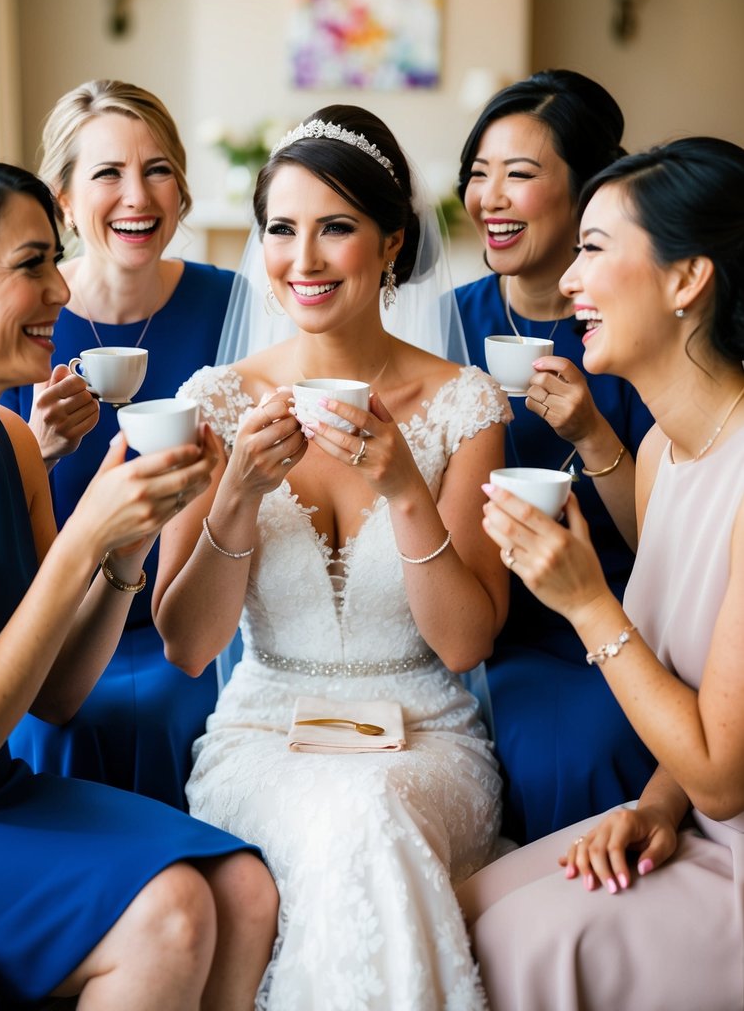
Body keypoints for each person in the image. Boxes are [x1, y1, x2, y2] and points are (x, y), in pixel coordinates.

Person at [151, 105, 511, 1010]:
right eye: (281, 229)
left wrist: (405, 489)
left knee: (369, 810)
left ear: (391, 244)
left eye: (336, 228)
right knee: (347, 817)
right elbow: (188, 647)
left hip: (423, 733)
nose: (302, 260)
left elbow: (467, 645)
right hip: (265, 733)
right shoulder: (215, 401)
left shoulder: (464, 404)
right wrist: (233, 489)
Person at [0, 146, 278, 1010]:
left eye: (53, 259)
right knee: (171, 913)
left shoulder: (11, 446)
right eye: (30, 265)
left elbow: (59, 697)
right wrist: (83, 541)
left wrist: (125, 549)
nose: (62, 292)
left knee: (245, 889)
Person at [459, 136, 744, 1011]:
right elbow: (698, 726)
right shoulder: (658, 452)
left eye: (592, 248)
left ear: (685, 278)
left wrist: (584, 601)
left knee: (510, 944)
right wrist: (654, 810)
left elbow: (722, 774)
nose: (569, 282)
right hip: (689, 818)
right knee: (452, 914)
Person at [2, 79, 234, 810]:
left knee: (194, 718)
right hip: (57, 633)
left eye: (157, 169)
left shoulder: (234, 305)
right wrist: (34, 451)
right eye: (107, 173)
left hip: (197, 629)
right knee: (54, 733)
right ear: (62, 198)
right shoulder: (21, 323)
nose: (138, 196)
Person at [454, 69, 656, 842]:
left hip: (608, 620)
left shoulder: (629, 331)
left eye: (520, 175)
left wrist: (590, 435)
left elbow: (664, 541)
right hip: (473, 623)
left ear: (586, 191)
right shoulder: (444, 324)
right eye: (478, 174)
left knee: (582, 748)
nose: (490, 197)